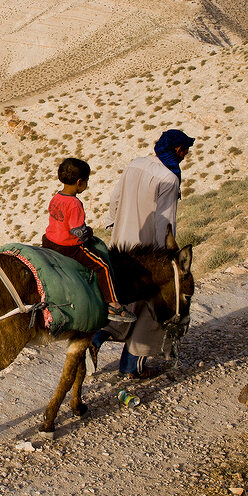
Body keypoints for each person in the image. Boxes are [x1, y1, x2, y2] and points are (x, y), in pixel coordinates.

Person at [93, 129, 195, 378]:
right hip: (148, 250)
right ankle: (131, 365)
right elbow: (164, 221)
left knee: (120, 298)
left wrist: (113, 222)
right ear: (178, 151)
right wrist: (167, 254)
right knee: (154, 305)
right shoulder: (169, 179)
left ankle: (94, 341)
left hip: (122, 244)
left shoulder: (136, 163)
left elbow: (115, 196)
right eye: (185, 150)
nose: (186, 154)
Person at [41, 158, 136, 323]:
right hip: (68, 247)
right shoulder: (74, 204)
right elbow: (78, 232)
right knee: (103, 266)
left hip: (49, 241)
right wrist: (89, 231)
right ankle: (113, 305)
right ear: (79, 182)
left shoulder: (56, 197)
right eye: (86, 181)